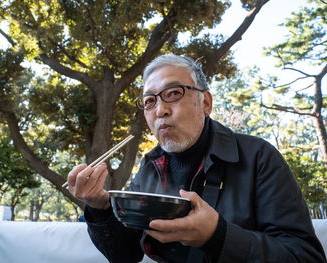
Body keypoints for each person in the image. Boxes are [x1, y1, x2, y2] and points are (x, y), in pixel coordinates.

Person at [66, 54, 326, 263]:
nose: (160, 110)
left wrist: (218, 235)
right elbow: (125, 255)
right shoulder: (150, 167)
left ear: (206, 103)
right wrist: (99, 208)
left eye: (174, 93)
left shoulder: (258, 157)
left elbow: (304, 255)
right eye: (149, 101)